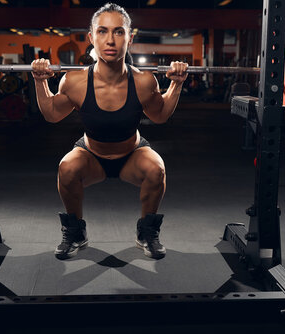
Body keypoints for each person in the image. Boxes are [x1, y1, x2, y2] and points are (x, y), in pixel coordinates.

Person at [31, 3, 188, 260]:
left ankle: (147, 232)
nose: (110, 40)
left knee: (156, 167)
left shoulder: (144, 81)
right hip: (92, 156)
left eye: (118, 32)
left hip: (131, 155)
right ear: (92, 38)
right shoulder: (75, 81)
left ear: (130, 37)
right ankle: (75, 231)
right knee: (66, 167)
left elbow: (159, 116)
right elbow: (51, 114)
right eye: (102, 32)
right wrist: (40, 82)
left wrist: (176, 84)